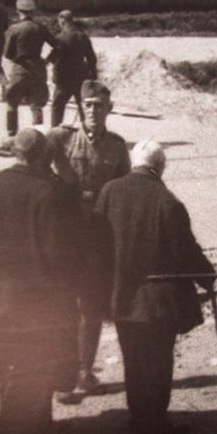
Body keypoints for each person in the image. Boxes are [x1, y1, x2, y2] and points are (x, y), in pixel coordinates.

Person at [96, 140, 214, 434]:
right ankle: (155, 421)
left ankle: (138, 418)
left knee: (133, 359)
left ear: (134, 162)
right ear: (160, 166)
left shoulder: (109, 191)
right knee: (159, 361)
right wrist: (207, 277)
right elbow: (185, 250)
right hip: (158, 300)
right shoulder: (168, 201)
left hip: (121, 296)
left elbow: (94, 240)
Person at [0, 129, 82, 434]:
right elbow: (57, 252)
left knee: (9, 360)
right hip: (38, 300)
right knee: (35, 365)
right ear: (42, 157)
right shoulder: (47, 192)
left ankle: (33, 426)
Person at [47, 80, 130, 401]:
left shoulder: (118, 146)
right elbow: (37, 171)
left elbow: (124, 191)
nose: (94, 110)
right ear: (80, 107)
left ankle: (83, 372)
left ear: (110, 109)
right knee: (60, 306)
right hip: (64, 236)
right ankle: (58, 375)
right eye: (89, 104)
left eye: (100, 105)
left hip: (97, 240)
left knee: (91, 308)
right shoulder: (61, 138)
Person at [3, 0, 57, 134]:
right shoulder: (41, 28)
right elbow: (58, 47)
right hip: (38, 68)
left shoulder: (14, 29)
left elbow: (7, 54)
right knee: (36, 104)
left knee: (12, 102)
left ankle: (11, 133)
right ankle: (37, 134)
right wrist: (47, 60)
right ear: (33, 11)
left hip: (19, 69)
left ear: (18, 11)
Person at [49, 10, 98, 128]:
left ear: (62, 20)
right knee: (83, 106)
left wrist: (52, 70)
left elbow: (56, 58)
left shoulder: (60, 37)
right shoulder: (82, 36)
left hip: (64, 79)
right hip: (81, 76)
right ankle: (88, 131)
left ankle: (55, 131)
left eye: (59, 21)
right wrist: (92, 75)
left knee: (57, 106)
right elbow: (92, 58)